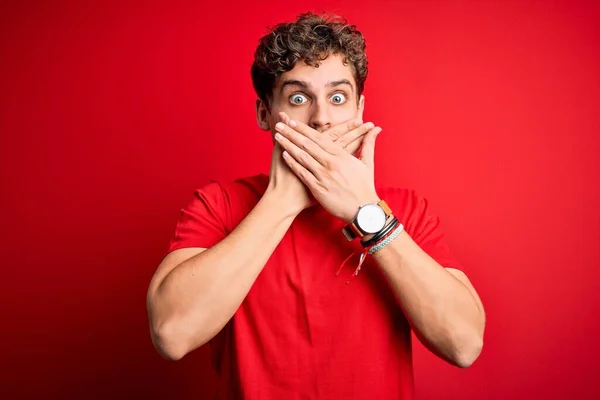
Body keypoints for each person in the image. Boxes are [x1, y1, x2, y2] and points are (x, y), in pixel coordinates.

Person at [146, 11, 485, 399]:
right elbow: (172, 335)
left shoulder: (406, 210)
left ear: (359, 111)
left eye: (338, 97)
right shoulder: (218, 206)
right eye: (298, 97)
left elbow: (464, 345)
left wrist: (368, 212)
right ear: (265, 114)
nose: (321, 118)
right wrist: (280, 202)